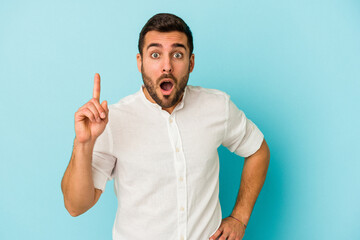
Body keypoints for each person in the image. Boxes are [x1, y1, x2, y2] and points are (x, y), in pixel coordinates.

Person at [61, 13, 270, 240]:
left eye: (177, 54)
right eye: (155, 54)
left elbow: (258, 150)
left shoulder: (217, 106)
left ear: (191, 63)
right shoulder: (112, 121)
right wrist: (83, 143)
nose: (166, 66)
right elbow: (76, 206)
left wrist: (239, 217)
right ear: (140, 62)